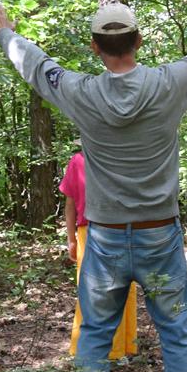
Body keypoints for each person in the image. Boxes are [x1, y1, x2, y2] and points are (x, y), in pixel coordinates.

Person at [0, 0, 187, 372]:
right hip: (159, 234)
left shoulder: (82, 92)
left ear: (94, 46)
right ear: (139, 41)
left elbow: (37, 66)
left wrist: (4, 32)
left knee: (94, 334)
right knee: (176, 335)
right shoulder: (168, 83)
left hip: (104, 239)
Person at [61, 151, 139, 361]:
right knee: (90, 289)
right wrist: (71, 239)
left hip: (120, 229)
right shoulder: (78, 161)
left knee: (122, 286)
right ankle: (92, 349)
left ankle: (122, 347)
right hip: (89, 230)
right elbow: (70, 203)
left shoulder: (119, 157)